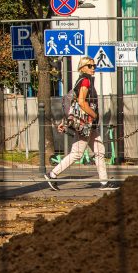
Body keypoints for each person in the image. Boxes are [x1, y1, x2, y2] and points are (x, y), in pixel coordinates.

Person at [44, 57, 117, 191]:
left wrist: (65, 122)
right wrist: (94, 115)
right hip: (86, 124)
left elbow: (74, 105)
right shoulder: (85, 81)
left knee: (99, 151)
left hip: (88, 124)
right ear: (82, 68)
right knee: (77, 154)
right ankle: (52, 174)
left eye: (94, 65)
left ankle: (104, 182)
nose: (93, 68)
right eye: (90, 66)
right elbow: (82, 103)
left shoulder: (84, 80)